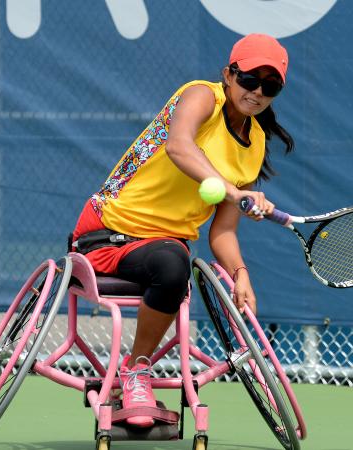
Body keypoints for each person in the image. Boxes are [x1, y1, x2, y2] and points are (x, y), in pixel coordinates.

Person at [70, 33, 294, 428]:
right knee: (175, 262)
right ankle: (138, 372)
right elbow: (179, 146)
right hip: (107, 230)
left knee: (175, 262)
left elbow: (222, 232)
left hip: (159, 249)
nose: (257, 91)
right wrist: (233, 190)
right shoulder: (202, 96)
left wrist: (241, 275)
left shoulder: (255, 143)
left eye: (270, 85)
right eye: (248, 79)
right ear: (229, 74)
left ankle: (133, 369)